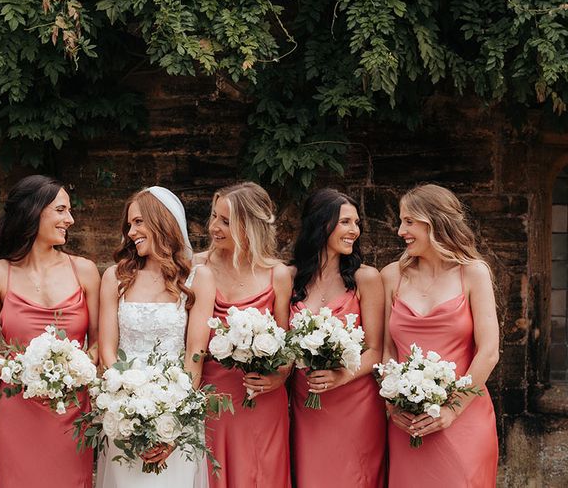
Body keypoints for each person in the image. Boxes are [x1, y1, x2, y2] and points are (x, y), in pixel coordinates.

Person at [0, 175, 100, 488]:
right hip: (17, 410)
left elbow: (99, 344)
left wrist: (70, 373)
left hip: (71, 410)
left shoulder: (84, 270)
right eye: (61, 210)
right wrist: (22, 372)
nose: (69, 220)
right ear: (34, 211)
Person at [96, 186, 216, 488]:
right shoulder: (115, 276)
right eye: (129, 224)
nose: (130, 231)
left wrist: (173, 422)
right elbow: (108, 351)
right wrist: (126, 405)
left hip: (175, 408)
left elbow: (195, 355)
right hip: (124, 411)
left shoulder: (198, 278)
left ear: (160, 221)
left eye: (138, 222)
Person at [381, 184, 499, 487]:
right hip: (409, 422)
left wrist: (452, 410)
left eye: (408, 221)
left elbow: (488, 352)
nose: (399, 230)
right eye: (401, 221)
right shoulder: (391, 275)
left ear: (434, 222)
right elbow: (387, 352)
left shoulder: (473, 272)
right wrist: (393, 408)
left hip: (464, 418)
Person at [196, 182, 292, 488]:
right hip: (214, 398)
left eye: (225, 221)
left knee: (261, 474)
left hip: (262, 398)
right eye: (213, 217)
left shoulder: (276, 273)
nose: (214, 227)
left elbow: (287, 342)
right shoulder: (197, 266)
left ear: (249, 225)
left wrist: (280, 376)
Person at [288, 188, 386, 487]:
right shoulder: (291, 278)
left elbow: (376, 350)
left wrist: (340, 375)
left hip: (355, 402)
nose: (354, 231)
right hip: (308, 404)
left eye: (357, 223)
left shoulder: (365, 279)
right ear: (321, 224)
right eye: (345, 222)